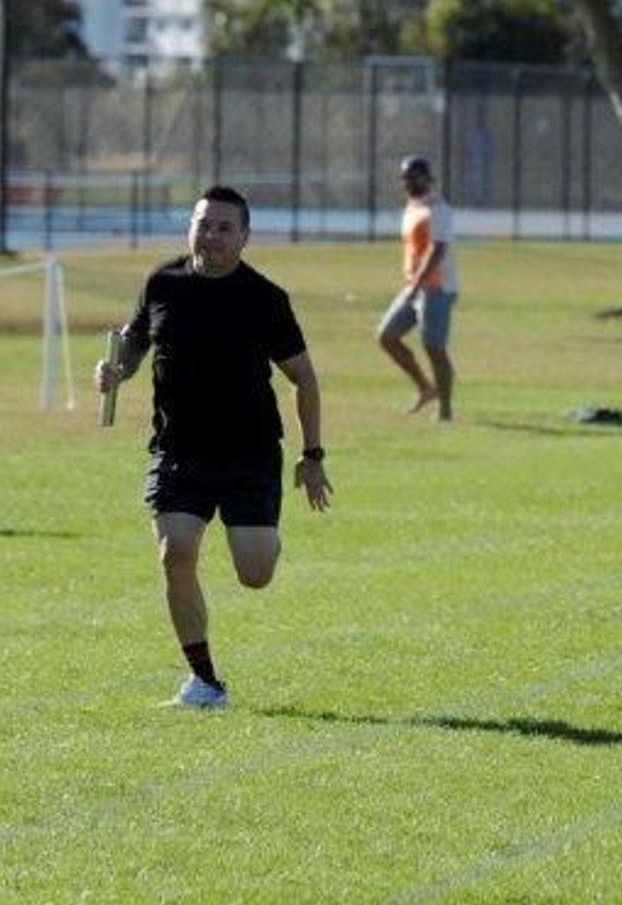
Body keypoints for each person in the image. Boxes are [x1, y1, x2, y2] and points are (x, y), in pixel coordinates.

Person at [96, 185, 332, 709]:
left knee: (255, 573)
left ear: (244, 237)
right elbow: (134, 342)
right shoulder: (162, 282)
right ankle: (204, 681)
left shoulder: (265, 299)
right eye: (204, 225)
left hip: (250, 454)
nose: (212, 236)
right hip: (178, 449)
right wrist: (117, 370)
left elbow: (304, 379)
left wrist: (312, 455)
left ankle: (263, 539)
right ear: (190, 228)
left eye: (225, 228)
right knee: (175, 553)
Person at [376, 154, 459, 420]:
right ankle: (426, 388)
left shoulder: (438, 209)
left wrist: (417, 284)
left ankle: (445, 410)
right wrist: (413, 285)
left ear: (427, 179)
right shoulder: (413, 207)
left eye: (413, 177)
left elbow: (438, 249)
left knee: (434, 347)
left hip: (437, 288)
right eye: (404, 178)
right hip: (415, 286)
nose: (407, 183)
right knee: (387, 336)